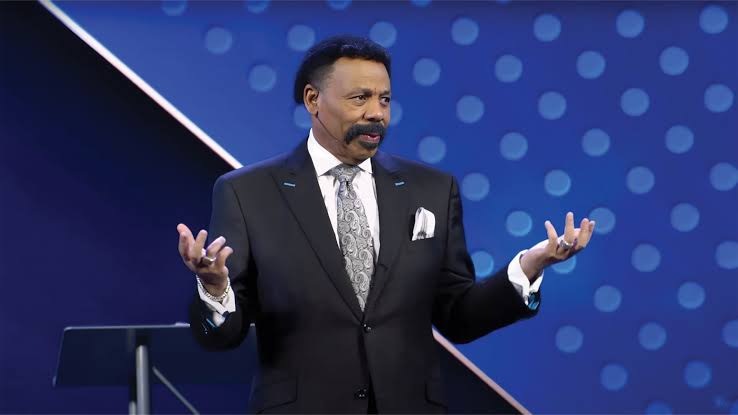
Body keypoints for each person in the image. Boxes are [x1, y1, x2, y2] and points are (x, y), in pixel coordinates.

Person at [177, 35, 595, 414]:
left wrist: (529, 267)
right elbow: (222, 336)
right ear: (313, 99)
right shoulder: (247, 192)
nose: (377, 113)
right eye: (360, 98)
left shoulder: (432, 189)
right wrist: (215, 289)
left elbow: (459, 316)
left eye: (385, 99)